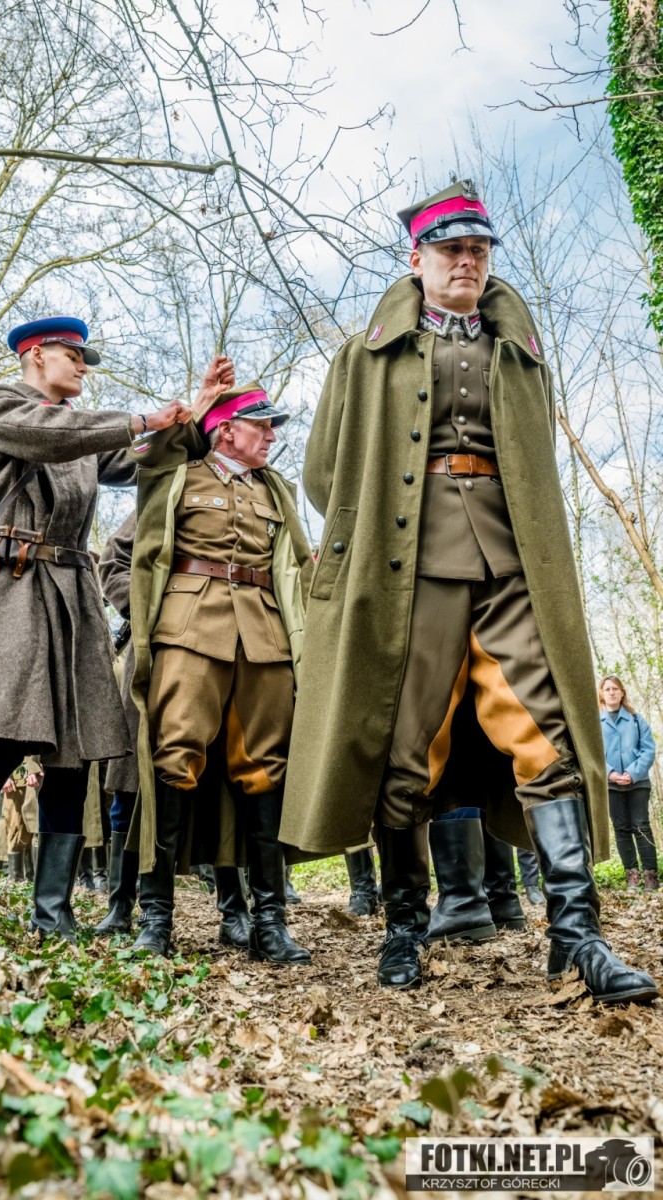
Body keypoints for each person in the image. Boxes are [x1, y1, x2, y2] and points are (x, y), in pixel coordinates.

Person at [280, 181, 658, 1005]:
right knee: (404, 746)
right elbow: (322, 474)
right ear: (416, 258)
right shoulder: (362, 356)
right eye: (451, 249)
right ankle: (404, 926)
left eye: (479, 250)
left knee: (548, 734)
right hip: (407, 571)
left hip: (513, 565)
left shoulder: (519, 355)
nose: (467, 262)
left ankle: (577, 937)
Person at [0, 314, 231, 938]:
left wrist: (195, 411)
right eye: (74, 355)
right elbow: (53, 436)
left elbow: (146, 459)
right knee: (1, 739)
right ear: (36, 355)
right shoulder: (1, 405)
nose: (84, 366)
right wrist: (142, 418)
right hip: (10, 591)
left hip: (73, 599)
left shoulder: (83, 430)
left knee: (75, 753)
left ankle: (52, 909)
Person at [126, 382, 313, 963]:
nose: (272, 435)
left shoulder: (276, 489)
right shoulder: (177, 474)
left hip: (264, 635)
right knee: (175, 758)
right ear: (227, 430)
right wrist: (198, 409)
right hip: (190, 628)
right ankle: (156, 918)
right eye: (262, 425)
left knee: (266, 769)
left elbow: (295, 566)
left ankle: (270, 922)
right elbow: (149, 454)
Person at [94, 509, 251, 948]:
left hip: (224, 653)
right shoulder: (167, 492)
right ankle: (121, 905)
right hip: (156, 655)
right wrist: (148, 611)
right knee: (131, 788)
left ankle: (234, 909)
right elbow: (113, 560)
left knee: (219, 783)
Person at [599, 675, 658, 891]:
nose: (611, 692)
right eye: (607, 689)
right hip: (611, 785)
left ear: (622, 692)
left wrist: (632, 773)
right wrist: (610, 773)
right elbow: (593, 754)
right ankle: (632, 875)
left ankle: (651, 876)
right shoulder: (596, 722)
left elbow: (648, 749)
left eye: (615, 688)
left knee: (641, 826)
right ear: (601, 694)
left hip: (638, 783)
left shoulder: (635, 719)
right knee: (621, 829)